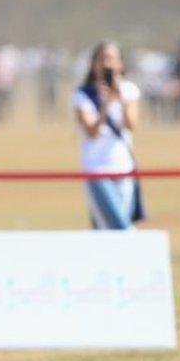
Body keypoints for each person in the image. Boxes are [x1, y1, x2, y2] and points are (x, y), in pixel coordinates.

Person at [71, 41, 143, 230]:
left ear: (121, 64)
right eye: (102, 59)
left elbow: (131, 124)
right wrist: (105, 105)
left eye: (111, 59)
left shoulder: (129, 90)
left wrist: (119, 98)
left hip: (123, 167)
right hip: (97, 168)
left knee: (106, 230)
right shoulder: (83, 94)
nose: (107, 65)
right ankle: (142, 251)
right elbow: (91, 131)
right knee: (120, 226)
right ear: (93, 64)